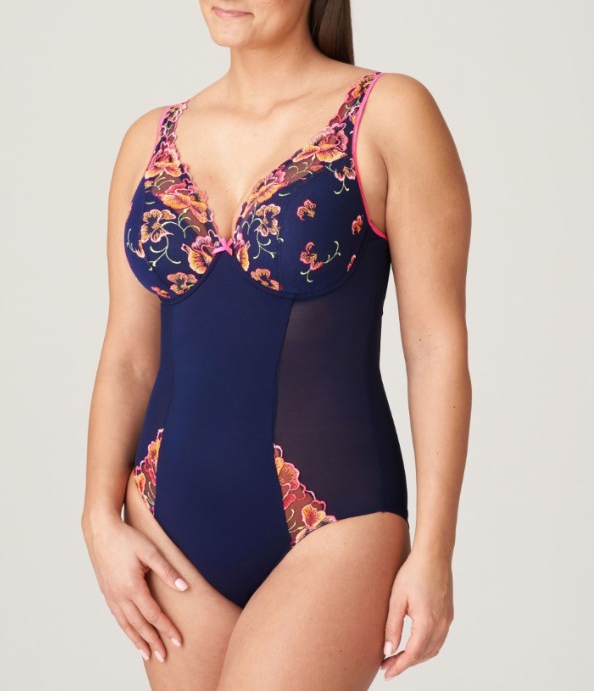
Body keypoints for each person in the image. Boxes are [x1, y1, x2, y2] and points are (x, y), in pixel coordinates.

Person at [81, 1, 472, 688]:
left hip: (334, 517)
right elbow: (128, 358)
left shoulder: (387, 114)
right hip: (168, 525)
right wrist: (96, 516)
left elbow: (433, 344)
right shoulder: (148, 140)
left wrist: (434, 551)